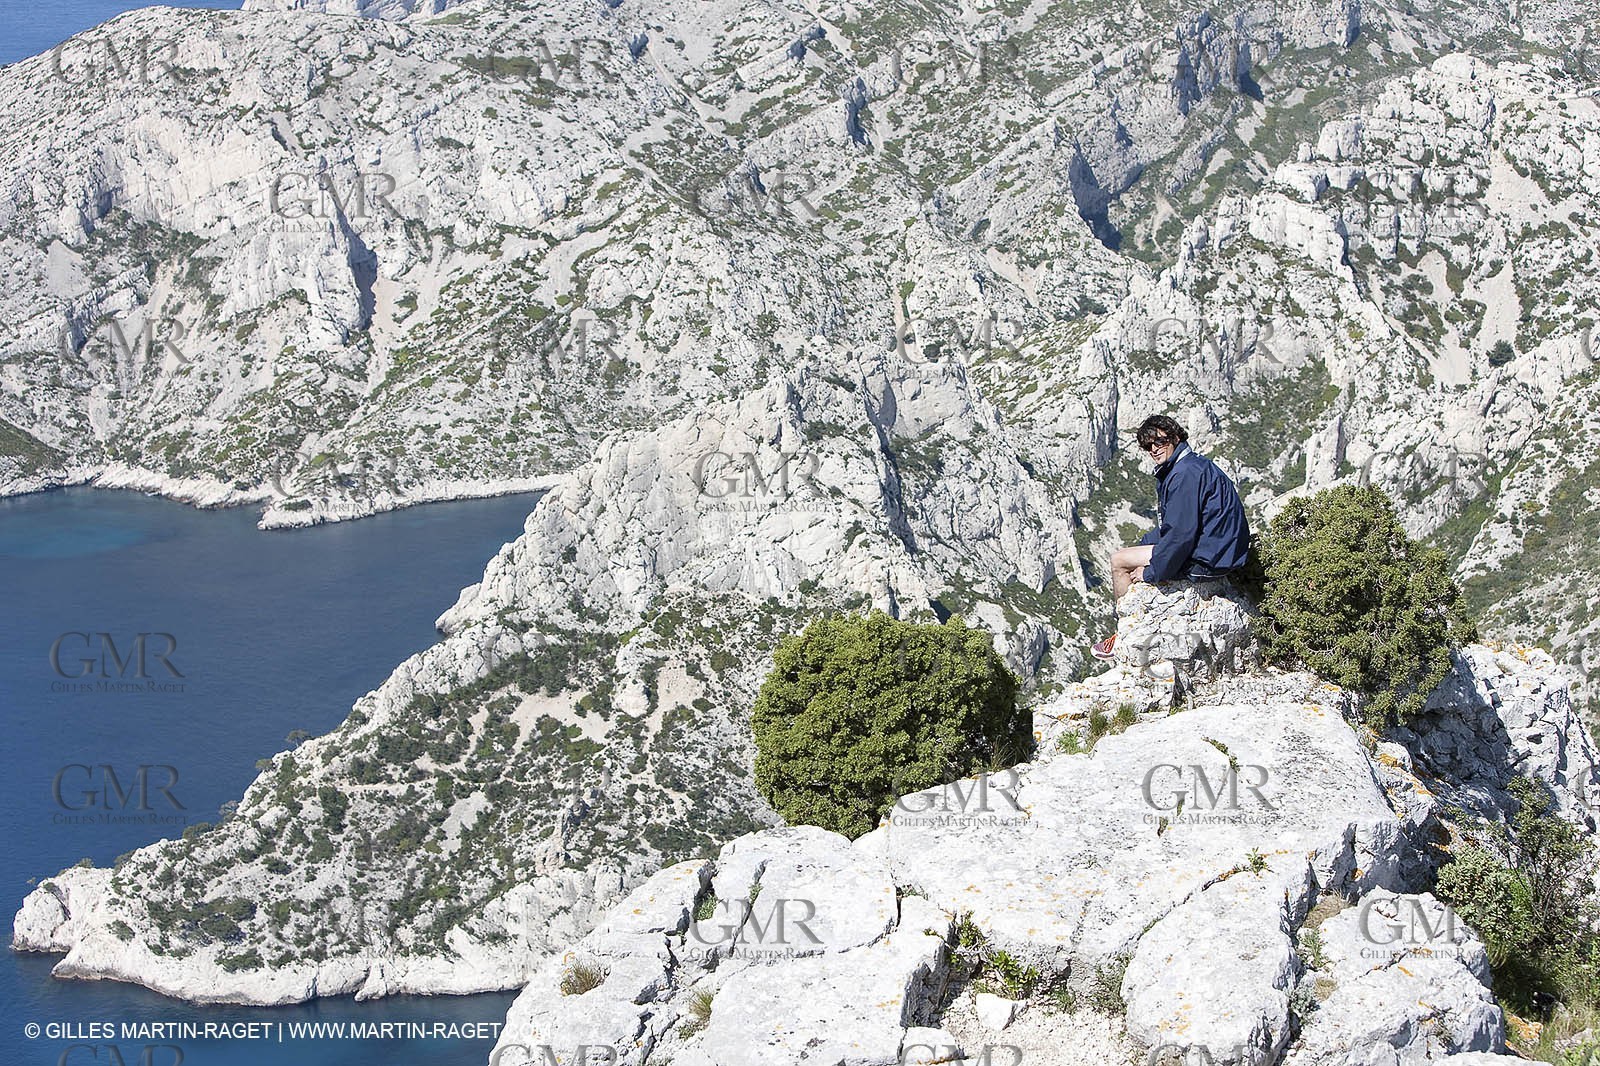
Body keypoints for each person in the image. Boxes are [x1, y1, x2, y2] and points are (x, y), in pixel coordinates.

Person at [1091, 415, 1250, 662]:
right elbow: (1175, 527)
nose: (1154, 449)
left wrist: (1152, 572)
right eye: (1148, 446)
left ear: (1176, 437)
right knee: (1136, 552)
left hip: (1208, 559)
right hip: (1219, 549)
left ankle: (1122, 634)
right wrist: (1146, 545)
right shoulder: (1192, 465)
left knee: (1119, 562)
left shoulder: (1183, 475)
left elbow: (1180, 537)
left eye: (1160, 441)